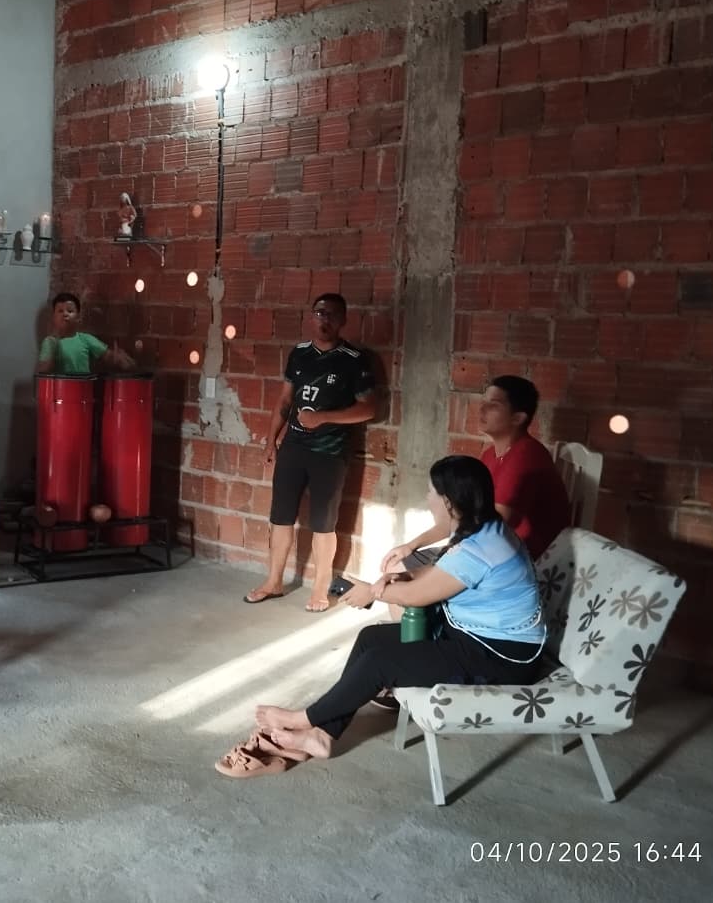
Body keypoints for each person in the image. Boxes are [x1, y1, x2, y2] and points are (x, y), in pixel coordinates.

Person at [216, 455, 546, 778]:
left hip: (501, 656)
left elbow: (417, 596)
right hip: (475, 636)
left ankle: (304, 719)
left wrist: (371, 593)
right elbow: (445, 572)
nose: (427, 498)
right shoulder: (484, 528)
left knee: (380, 662)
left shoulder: (481, 549)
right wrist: (401, 577)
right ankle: (323, 735)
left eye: (431, 492)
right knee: (371, 638)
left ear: (448, 502)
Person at [243, 293, 376, 611]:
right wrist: (271, 441)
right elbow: (284, 400)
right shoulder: (299, 353)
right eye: (319, 313)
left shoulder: (354, 359)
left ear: (343, 320)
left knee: (323, 523)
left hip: (330, 452)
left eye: (331, 315)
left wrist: (323, 418)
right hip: (293, 446)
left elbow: (369, 408)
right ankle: (273, 581)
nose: (324, 320)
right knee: (280, 517)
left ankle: (319, 590)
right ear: (310, 317)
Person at [380, 375, 570, 576]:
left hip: (515, 559)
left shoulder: (526, 455)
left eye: (493, 405)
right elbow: (467, 519)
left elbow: (491, 525)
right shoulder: (490, 455)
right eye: (483, 402)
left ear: (518, 418)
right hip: (487, 548)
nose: (482, 409)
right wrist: (411, 546)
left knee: (400, 573)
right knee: (397, 566)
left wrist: (445, 554)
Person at [35, 292, 135, 375]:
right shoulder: (50, 342)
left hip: (84, 389)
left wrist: (116, 358)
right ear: (54, 317)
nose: (65, 314)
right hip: (61, 390)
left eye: (70, 311)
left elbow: (107, 356)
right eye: (60, 311)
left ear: (78, 317)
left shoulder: (85, 339)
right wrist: (53, 349)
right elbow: (43, 371)